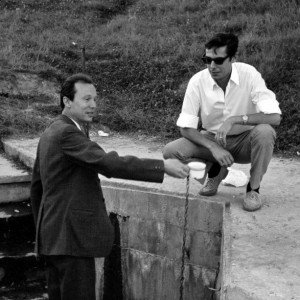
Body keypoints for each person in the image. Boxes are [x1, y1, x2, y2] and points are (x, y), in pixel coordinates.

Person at [30, 73, 189, 300]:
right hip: (71, 243)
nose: (93, 105)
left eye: (95, 99)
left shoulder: (51, 131)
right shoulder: (67, 133)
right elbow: (109, 164)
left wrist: (43, 237)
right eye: (86, 99)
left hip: (55, 242)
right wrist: (161, 166)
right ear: (67, 101)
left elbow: (37, 188)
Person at [163, 32, 282, 212]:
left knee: (265, 132)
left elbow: (275, 117)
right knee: (170, 151)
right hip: (212, 139)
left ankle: (253, 189)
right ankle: (215, 172)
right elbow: (185, 128)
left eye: (218, 61)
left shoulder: (249, 74)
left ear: (233, 58)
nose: (212, 66)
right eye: (207, 59)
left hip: (245, 141)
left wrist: (235, 120)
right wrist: (213, 147)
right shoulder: (197, 81)